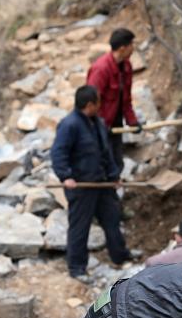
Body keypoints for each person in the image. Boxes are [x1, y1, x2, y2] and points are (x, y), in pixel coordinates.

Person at [51, 85, 132, 277]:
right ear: (89, 105)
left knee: (112, 219)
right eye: (98, 102)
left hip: (102, 183)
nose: (100, 105)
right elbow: (58, 153)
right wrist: (66, 176)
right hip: (81, 186)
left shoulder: (98, 123)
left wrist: (114, 175)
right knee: (80, 226)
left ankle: (120, 255)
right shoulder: (69, 125)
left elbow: (106, 152)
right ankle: (77, 267)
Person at [85, 27, 142, 174]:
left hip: (115, 123)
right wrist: (97, 125)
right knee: (101, 163)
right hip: (99, 126)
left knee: (116, 161)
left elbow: (126, 98)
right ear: (123, 48)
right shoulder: (101, 69)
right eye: (131, 44)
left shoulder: (126, 67)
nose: (133, 48)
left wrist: (132, 121)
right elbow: (89, 102)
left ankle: (115, 185)